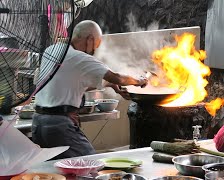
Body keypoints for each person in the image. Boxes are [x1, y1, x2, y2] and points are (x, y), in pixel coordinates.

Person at [32, 20, 148, 159]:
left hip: (38, 124)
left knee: (60, 170)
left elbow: (71, 83)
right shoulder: (79, 58)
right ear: (90, 39)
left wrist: (111, 86)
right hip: (59, 126)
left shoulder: (51, 50)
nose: (94, 52)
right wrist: (139, 80)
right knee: (91, 164)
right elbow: (117, 77)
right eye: (95, 47)